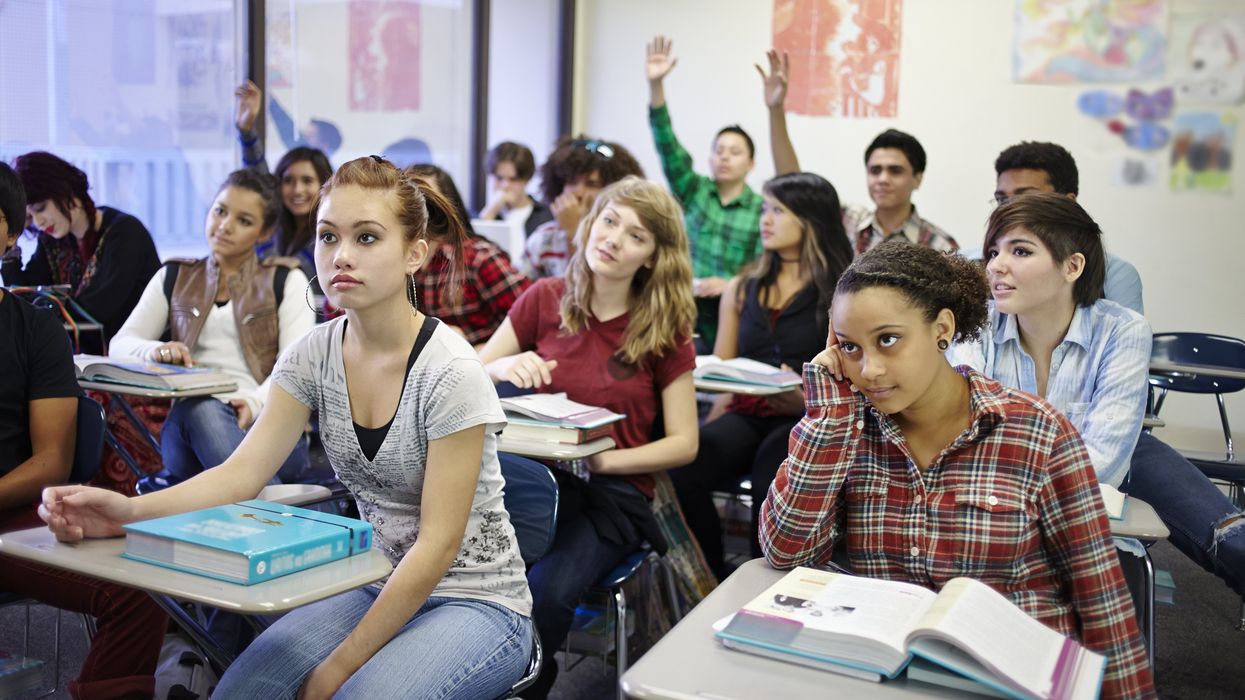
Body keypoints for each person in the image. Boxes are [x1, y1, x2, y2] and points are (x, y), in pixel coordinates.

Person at [40, 156, 534, 699]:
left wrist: (336, 668)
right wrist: (128, 514)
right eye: (328, 236)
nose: (341, 256)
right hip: (379, 580)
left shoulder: (450, 371)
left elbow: (438, 546)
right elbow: (240, 474)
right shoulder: (313, 354)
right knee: (242, 692)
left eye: (367, 238)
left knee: (350, 695)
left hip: (478, 601)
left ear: (415, 253)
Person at [759, 240, 1154, 698]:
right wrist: (829, 416)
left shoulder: (1036, 434)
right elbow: (786, 552)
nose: (869, 370)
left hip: (1013, 681)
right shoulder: (849, 428)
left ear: (942, 329)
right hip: (889, 678)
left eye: (888, 339)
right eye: (849, 347)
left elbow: (1100, 598)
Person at [948, 192, 1245, 598]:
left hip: (1080, 499)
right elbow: (963, 426)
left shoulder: (1122, 330)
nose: (996, 266)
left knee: (1230, 541)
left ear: (1072, 266)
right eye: (993, 251)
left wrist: (1013, 481)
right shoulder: (978, 324)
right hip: (999, 513)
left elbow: (1103, 456)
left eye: (1020, 251)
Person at [479, 176, 699, 698]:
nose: (614, 239)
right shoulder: (545, 297)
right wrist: (504, 364)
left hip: (609, 496)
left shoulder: (664, 328)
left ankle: (520, 684)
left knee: (548, 591)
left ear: (651, 257)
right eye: (609, 221)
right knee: (466, 574)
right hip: (530, 483)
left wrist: (606, 461)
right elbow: (468, 373)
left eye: (636, 235)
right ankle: (484, 670)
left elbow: (684, 443)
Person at [0, 160, 167, 700]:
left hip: (12, 517)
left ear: (5, 230)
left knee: (141, 592)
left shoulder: (34, 328)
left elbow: (51, 463)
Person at [669, 172, 852, 577]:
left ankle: (763, 585)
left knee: (773, 472)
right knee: (686, 467)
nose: (765, 220)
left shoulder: (841, 288)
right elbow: (722, 365)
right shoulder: (744, 284)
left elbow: (852, 374)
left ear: (810, 219)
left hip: (806, 416)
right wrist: (712, 419)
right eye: (765, 209)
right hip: (747, 409)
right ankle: (713, 579)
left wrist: (804, 399)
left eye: (777, 211)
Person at [109, 169, 315, 490]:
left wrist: (251, 403)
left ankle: (258, 506)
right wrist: (155, 350)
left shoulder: (286, 280)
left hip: (269, 428)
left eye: (244, 220)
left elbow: (296, 369)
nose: (224, 226)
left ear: (265, 233)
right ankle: (277, 512)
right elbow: (119, 344)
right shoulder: (175, 275)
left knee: (208, 415)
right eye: (220, 211)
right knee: (201, 407)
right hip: (189, 430)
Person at [645, 37, 800, 348]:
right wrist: (656, 87)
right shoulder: (694, 191)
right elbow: (666, 144)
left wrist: (730, 285)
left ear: (752, 163)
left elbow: (768, 267)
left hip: (737, 314)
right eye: (719, 150)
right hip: (682, 311)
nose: (725, 157)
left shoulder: (762, 210)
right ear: (710, 158)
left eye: (735, 151)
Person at [769, 73, 956, 257]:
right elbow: (793, 191)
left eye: (895, 171)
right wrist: (776, 111)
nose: (883, 179)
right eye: (875, 171)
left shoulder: (939, 246)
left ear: (917, 179)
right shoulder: (846, 223)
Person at [1, 151, 160, 352]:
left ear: (63, 190)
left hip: (132, 361)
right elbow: (20, 298)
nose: (38, 222)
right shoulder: (53, 240)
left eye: (40, 208)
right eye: (29, 218)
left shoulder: (125, 232)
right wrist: (9, 240)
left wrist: (46, 307)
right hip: (84, 363)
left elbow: (97, 309)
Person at [989, 140, 1144, 314]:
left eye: (1027, 198)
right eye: (1002, 200)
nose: (1009, 208)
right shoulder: (974, 262)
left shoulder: (1116, 275)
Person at [403, 164, 531, 347]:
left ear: (447, 206)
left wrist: (484, 352)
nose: (418, 210)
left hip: (485, 365)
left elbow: (532, 316)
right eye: (408, 201)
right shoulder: (395, 263)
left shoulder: (479, 258)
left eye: (426, 201)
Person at [235, 79, 335, 287]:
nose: (297, 190)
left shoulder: (329, 233)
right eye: (288, 180)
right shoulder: (280, 222)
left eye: (307, 181)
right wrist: (246, 131)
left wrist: (262, 240)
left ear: (324, 184)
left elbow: (281, 280)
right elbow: (257, 175)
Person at [522, 136, 644, 279]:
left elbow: (592, 289)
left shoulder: (616, 241)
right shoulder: (543, 237)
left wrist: (573, 231)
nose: (578, 192)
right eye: (572, 182)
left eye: (591, 184)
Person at [477, 141, 555, 236]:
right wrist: (490, 212)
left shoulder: (546, 216)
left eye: (513, 179)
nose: (505, 185)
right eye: (499, 178)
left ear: (526, 180)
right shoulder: (481, 213)